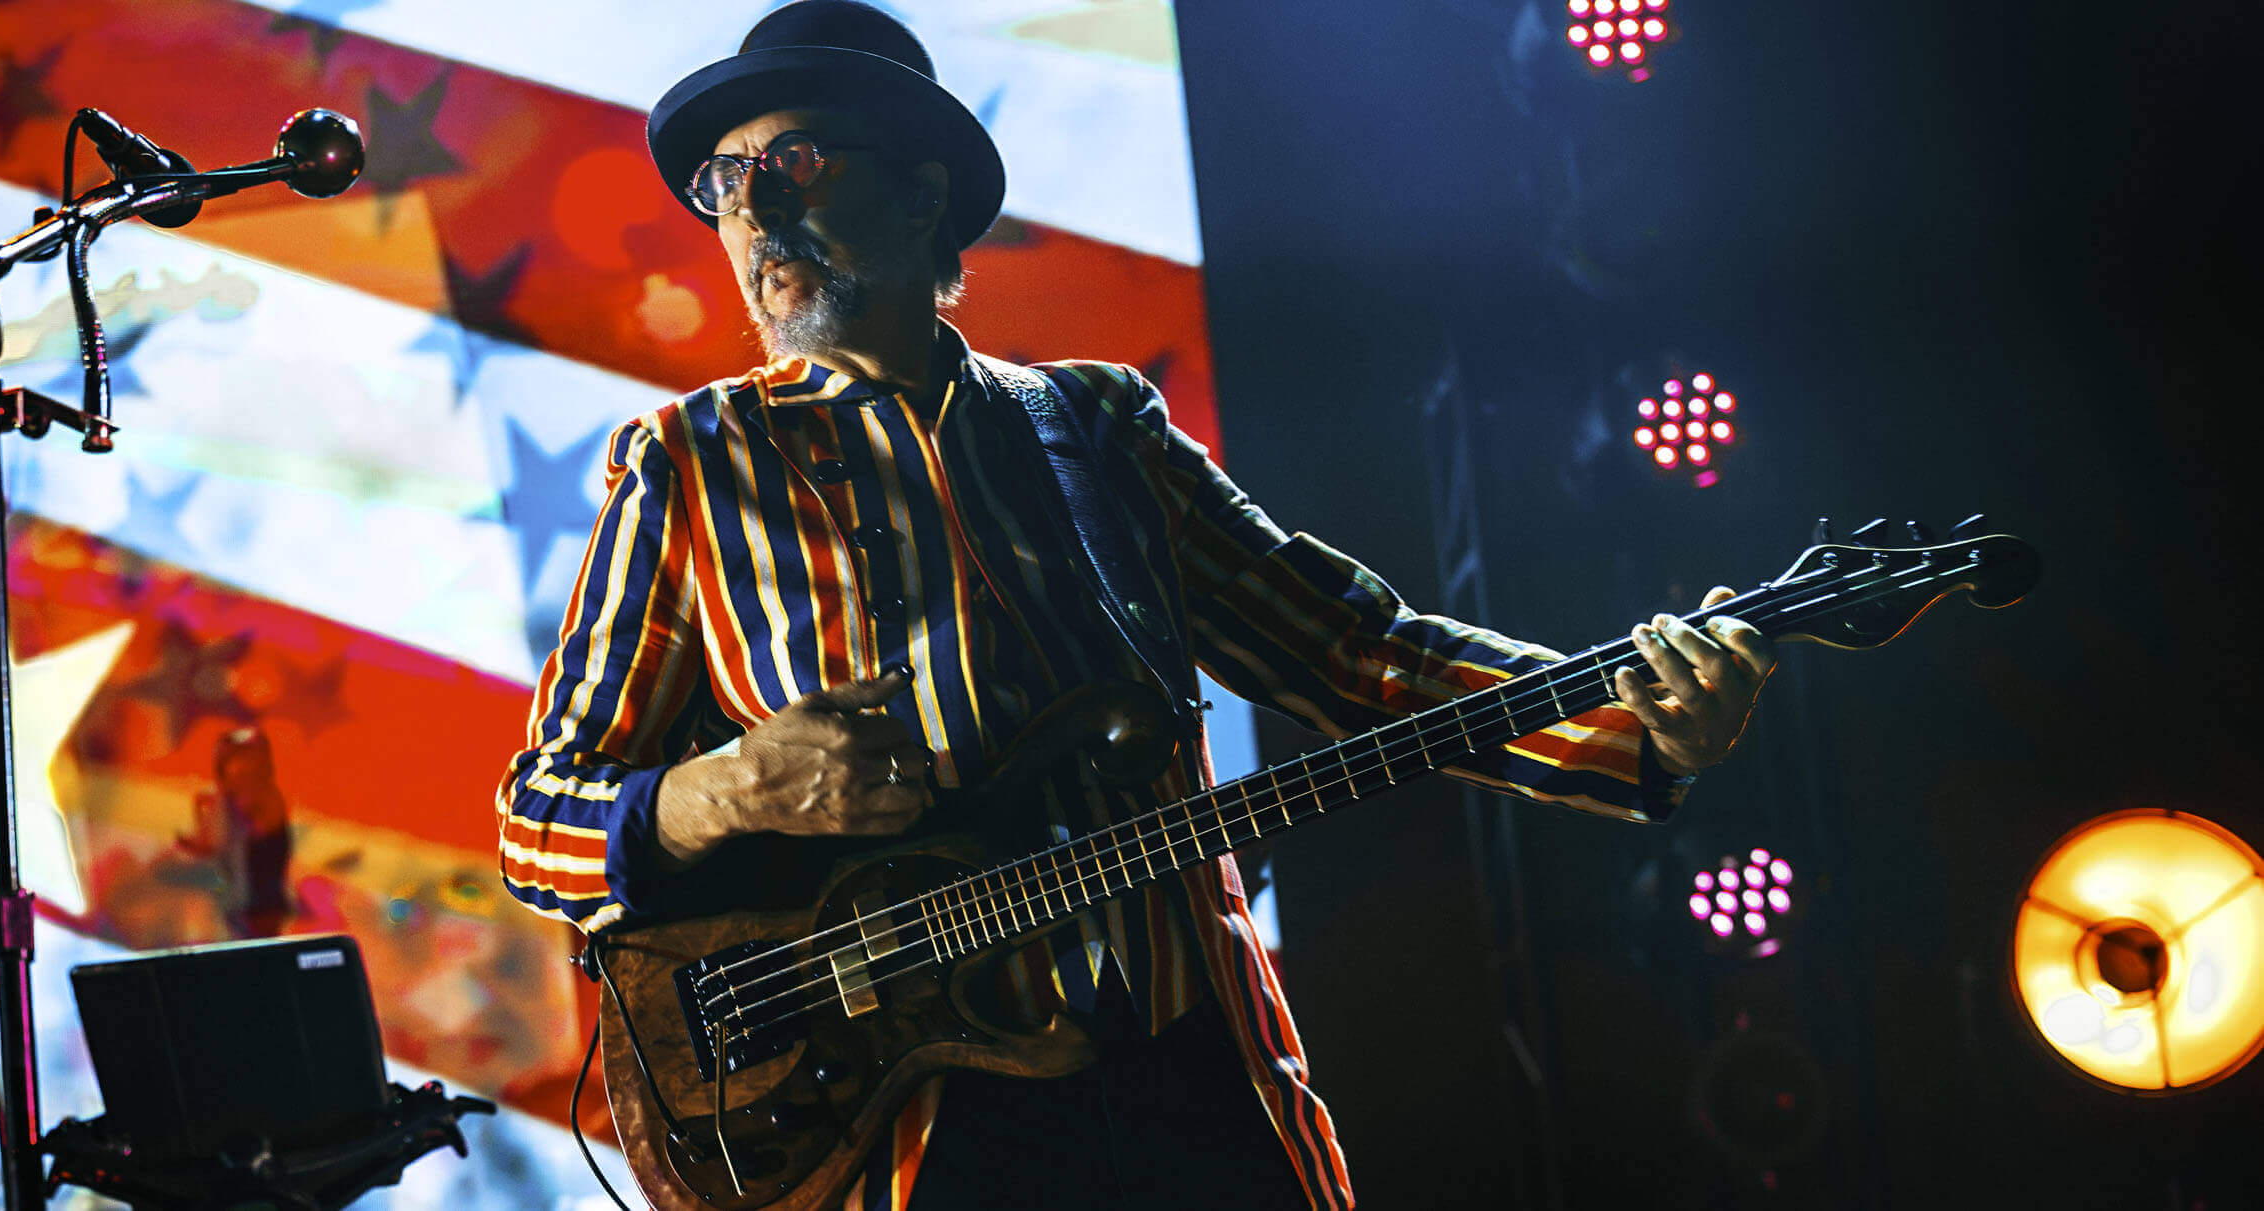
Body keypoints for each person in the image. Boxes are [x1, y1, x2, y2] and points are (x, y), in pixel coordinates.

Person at [496, 4, 1776, 1208]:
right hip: (913, 1135)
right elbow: (534, 817)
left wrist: (1635, 721)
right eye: (724, 181)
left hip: (1188, 1076)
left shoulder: (1097, 424)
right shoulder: (687, 465)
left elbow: (1357, 654)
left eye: (795, 160)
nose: (752, 210)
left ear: (922, 190)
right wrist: (723, 791)